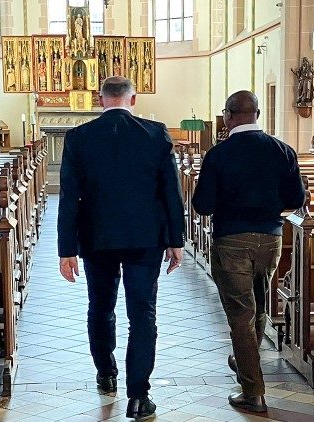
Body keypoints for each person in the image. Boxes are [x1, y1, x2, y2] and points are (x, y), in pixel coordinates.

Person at [57, 76, 185, 420]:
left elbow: (69, 196)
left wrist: (66, 248)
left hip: (97, 239)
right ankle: (139, 396)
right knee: (142, 313)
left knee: (100, 307)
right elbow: (171, 193)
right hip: (145, 239)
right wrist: (177, 240)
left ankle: (106, 373)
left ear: (101, 100)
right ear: (133, 99)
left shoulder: (79, 137)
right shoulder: (156, 133)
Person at [192, 90, 305, 413]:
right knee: (258, 305)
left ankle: (252, 392)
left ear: (228, 116)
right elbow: (296, 200)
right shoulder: (283, 150)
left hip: (232, 242)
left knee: (241, 315)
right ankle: (246, 360)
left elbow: (202, 205)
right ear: (258, 113)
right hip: (270, 240)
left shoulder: (219, 155)